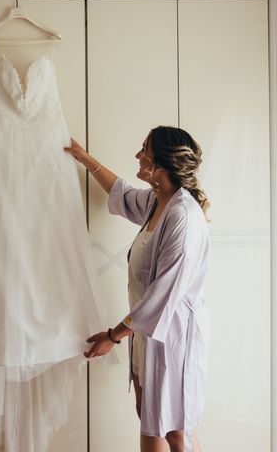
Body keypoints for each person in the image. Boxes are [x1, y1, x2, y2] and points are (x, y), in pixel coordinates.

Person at [64, 126, 211, 452]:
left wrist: (113, 336)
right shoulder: (158, 201)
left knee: (176, 429)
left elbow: (161, 296)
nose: (137, 155)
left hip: (174, 338)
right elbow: (123, 193)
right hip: (148, 332)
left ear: (161, 164)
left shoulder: (183, 218)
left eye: (144, 149)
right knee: (149, 415)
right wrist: (84, 158)